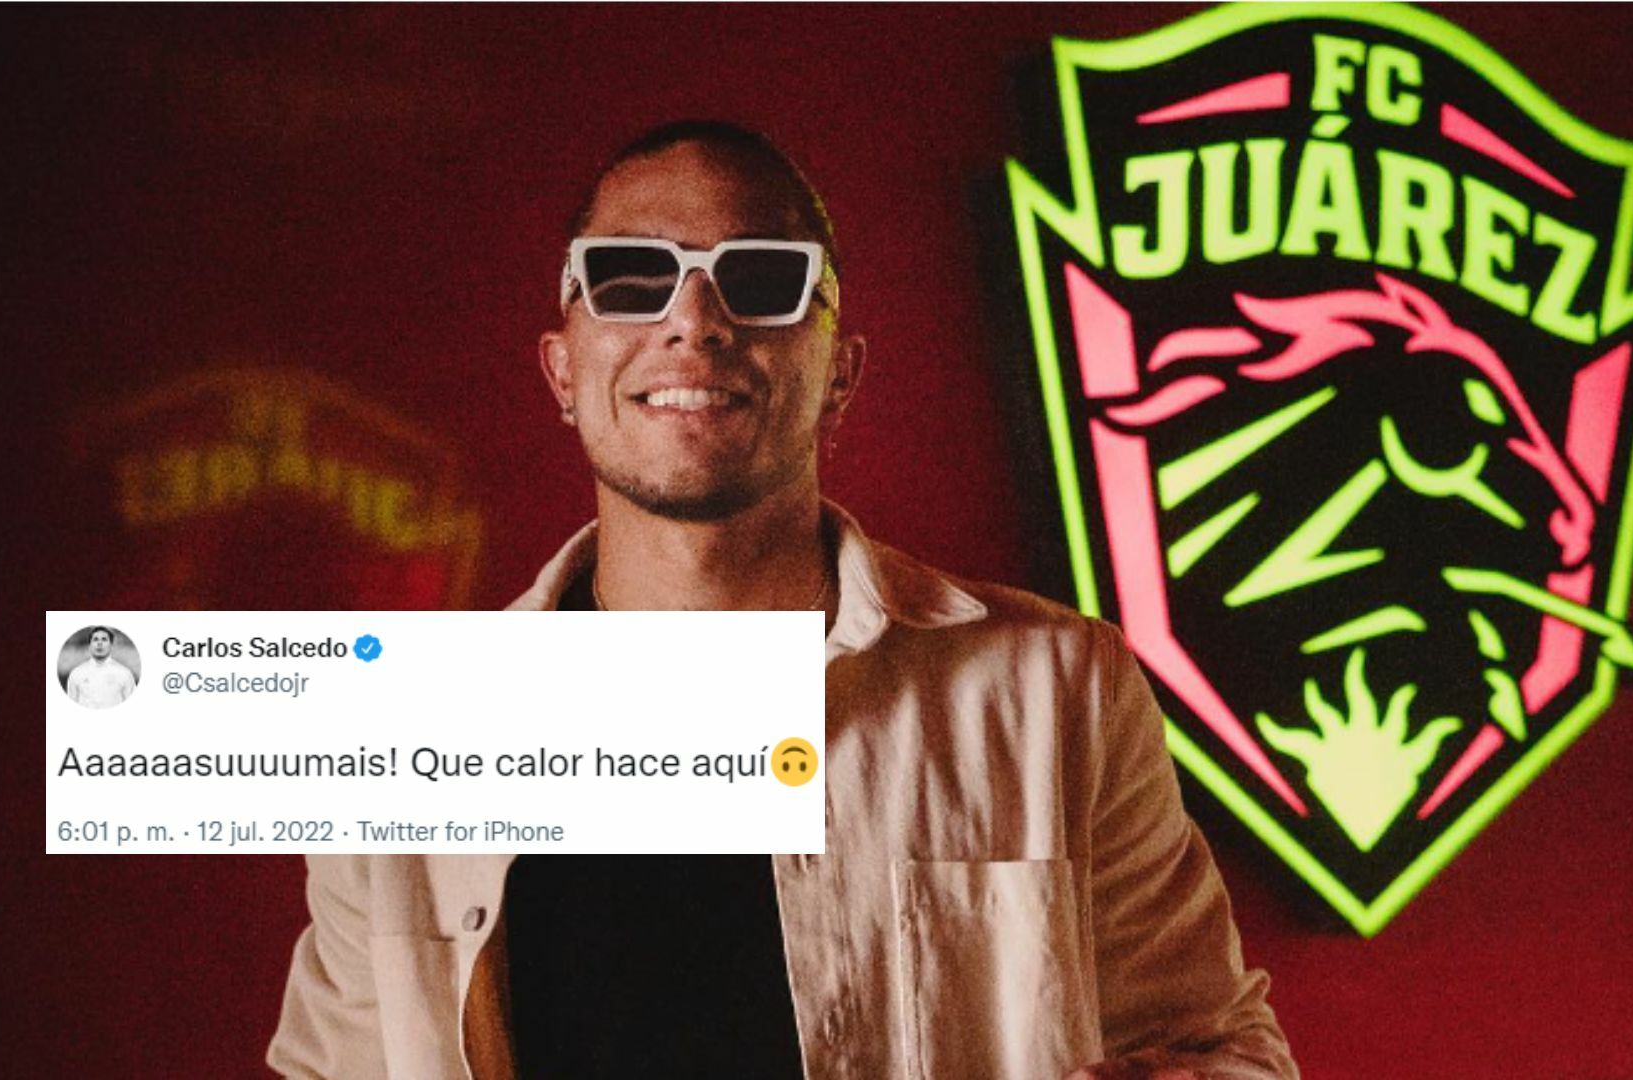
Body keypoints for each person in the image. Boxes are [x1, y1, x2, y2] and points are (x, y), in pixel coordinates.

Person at [269, 121, 1297, 1080]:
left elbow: (1215, 1048)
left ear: (841, 372)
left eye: (762, 279)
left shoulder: (1057, 692)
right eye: (630, 278)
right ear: (562, 371)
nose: (694, 321)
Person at [65, 627, 135, 708]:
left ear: (111, 645)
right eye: (95, 639)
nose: (99, 643)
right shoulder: (77, 673)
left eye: (104, 639)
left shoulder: (124, 673)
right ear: (89, 646)